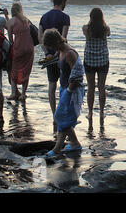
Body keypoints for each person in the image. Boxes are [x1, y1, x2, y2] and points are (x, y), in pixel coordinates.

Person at [43, 29, 84, 158]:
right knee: (64, 119)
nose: (50, 48)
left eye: (50, 46)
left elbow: (77, 75)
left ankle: (57, 149)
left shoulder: (70, 53)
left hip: (72, 91)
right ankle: (75, 144)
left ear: (55, 42)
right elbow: (58, 61)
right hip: (64, 88)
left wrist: (69, 91)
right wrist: (48, 60)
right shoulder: (60, 51)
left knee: (60, 118)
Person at [38, 0, 70, 127]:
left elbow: (40, 38)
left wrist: (47, 53)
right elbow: (63, 38)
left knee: (52, 85)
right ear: (63, 1)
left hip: (49, 57)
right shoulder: (65, 17)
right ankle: (63, 115)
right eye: (66, 2)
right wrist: (58, 53)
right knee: (64, 85)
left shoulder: (44, 17)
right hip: (61, 56)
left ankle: (54, 116)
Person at [82, 8, 110, 122]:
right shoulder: (106, 29)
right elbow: (108, 34)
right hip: (102, 60)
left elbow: (87, 35)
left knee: (91, 87)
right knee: (102, 87)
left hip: (89, 60)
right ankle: (102, 112)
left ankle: (90, 113)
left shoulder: (86, 28)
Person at [6, 2, 34, 101]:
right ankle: (23, 94)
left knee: (14, 70)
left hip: (18, 48)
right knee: (26, 70)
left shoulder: (11, 21)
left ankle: (14, 93)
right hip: (29, 47)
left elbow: (10, 40)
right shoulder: (26, 20)